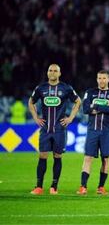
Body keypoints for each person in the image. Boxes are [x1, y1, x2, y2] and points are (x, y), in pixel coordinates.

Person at [28, 64, 81, 195]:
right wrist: (36, 117)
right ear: (47, 73)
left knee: (57, 156)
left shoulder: (66, 88)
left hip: (59, 129)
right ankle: (39, 187)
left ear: (59, 73)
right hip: (45, 128)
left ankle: (54, 186)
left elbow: (78, 101)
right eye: (50, 70)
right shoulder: (41, 88)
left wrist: (70, 118)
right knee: (42, 155)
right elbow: (31, 101)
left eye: (55, 71)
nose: (52, 73)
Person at [77, 70, 109, 195]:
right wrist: (104, 106)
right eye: (99, 78)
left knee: (106, 159)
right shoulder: (90, 92)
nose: (101, 80)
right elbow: (85, 109)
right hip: (92, 130)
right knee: (88, 157)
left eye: (104, 78)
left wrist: (94, 107)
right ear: (97, 79)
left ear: (108, 79)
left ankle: (101, 187)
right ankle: (83, 186)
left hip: (107, 131)